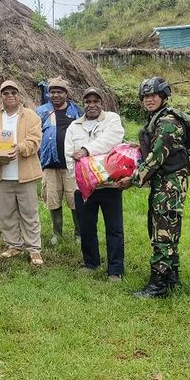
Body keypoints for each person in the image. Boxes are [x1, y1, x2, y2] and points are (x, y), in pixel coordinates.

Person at [118, 77, 190, 298]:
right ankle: (172, 278)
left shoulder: (168, 122)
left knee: (163, 232)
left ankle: (157, 285)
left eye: (153, 96)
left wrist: (132, 181)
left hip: (169, 185)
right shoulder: (157, 119)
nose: (148, 100)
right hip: (164, 182)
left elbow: (156, 158)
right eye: (145, 96)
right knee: (167, 230)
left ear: (163, 97)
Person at [65, 87, 125, 281]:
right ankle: (91, 262)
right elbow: (68, 155)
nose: (92, 105)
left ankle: (115, 270)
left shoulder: (111, 120)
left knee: (114, 228)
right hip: (83, 188)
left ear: (102, 103)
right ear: (83, 104)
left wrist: (85, 150)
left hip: (109, 185)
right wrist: (81, 179)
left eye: (95, 101)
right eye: (88, 101)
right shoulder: (74, 126)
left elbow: (110, 140)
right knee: (86, 227)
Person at [0, 80, 44, 265]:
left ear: (19, 95)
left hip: (25, 173)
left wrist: (20, 148)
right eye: (5, 93)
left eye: (13, 92)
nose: (9, 96)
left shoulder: (31, 116)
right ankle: (13, 245)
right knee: (6, 213)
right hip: (2, 174)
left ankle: (34, 249)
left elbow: (35, 139)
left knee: (29, 212)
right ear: (1, 97)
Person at [36, 76, 83, 246]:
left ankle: (79, 233)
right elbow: (35, 134)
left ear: (66, 93)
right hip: (49, 164)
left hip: (72, 165)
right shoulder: (42, 111)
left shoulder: (76, 111)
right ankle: (57, 232)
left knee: (75, 200)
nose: (56, 95)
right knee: (53, 199)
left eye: (59, 92)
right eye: (52, 92)